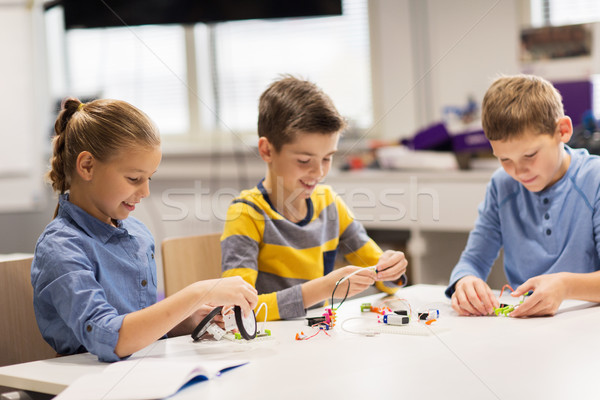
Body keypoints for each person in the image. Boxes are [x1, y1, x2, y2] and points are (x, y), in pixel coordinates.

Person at [32, 98, 257, 362]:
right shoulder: (60, 247)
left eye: (148, 178)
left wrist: (190, 319)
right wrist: (197, 293)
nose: (145, 191)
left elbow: (140, 322)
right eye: (134, 179)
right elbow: (109, 338)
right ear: (87, 166)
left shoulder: (138, 234)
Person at [220, 76, 408, 321]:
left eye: (327, 158)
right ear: (266, 150)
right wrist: (323, 288)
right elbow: (237, 310)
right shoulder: (246, 214)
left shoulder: (329, 204)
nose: (319, 173)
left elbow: (387, 281)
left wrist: (390, 269)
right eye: (304, 161)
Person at [446, 74, 600, 317]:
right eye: (504, 159)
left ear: (563, 131)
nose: (518, 172)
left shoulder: (595, 179)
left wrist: (565, 286)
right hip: (526, 327)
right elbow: (473, 260)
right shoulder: (502, 185)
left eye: (530, 155)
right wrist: (465, 281)